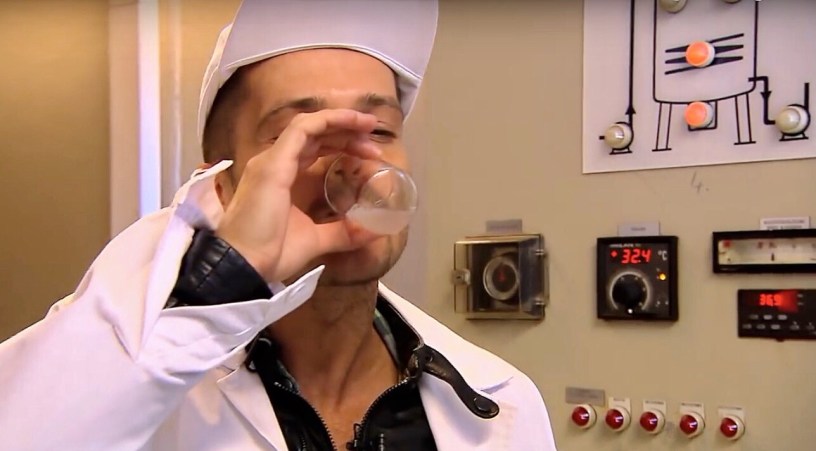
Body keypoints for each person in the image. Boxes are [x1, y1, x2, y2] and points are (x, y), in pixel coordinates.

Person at [0, 1, 557, 450]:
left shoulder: (500, 404)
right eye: (303, 134)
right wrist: (222, 276)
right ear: (223, 189)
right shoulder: (137, 386)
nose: (354, 164)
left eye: (379, 130)